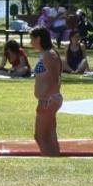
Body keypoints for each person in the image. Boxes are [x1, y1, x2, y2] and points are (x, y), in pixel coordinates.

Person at [30, 27, 62, 155]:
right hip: (48, 99)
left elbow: (56, 80)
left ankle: (51, 158)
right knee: (49, 134)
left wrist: (47, 99)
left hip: (49, 100)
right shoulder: (46, 53)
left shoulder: (49, 55)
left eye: (32, 39)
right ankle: (54, 157)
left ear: (38, 38)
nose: (30, 42)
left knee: (41, 136)